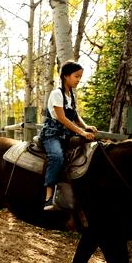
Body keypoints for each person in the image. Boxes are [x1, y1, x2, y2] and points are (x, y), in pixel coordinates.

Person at [40, 61, 97, 211]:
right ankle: (48, 196)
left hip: (66, 134)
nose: (79, 80)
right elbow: (63, 118)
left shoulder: (70, 94)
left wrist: (86, 126)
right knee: (57, 156)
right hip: (52, 133)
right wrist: (82, 132)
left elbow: (75, 115)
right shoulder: (57, 94)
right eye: (76, 76)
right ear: (66, 76)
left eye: (80, 77)